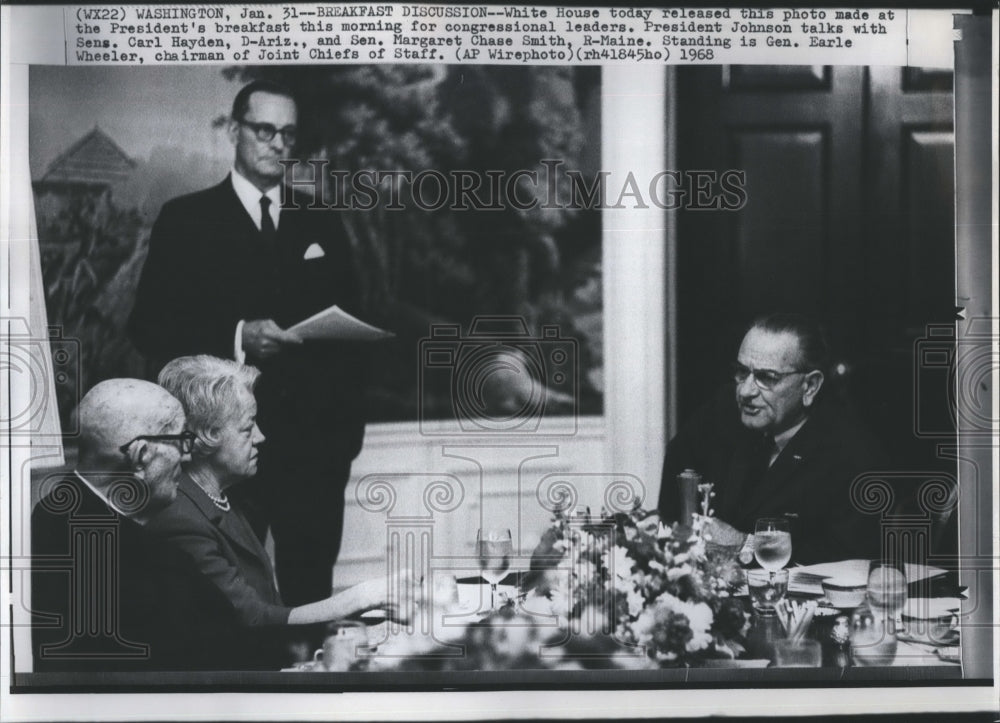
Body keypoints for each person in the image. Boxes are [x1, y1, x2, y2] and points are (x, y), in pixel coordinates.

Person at [128, 79, 367, 606]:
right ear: (235, 131)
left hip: (316, 454)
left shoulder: (321, 220)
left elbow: (357, 326)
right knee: (225, 604)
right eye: (265, 130)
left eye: (289, 133)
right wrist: (237, 336)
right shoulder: (186, 220)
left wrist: (343, 439)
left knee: (313, 601)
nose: (279, 144)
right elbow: (148, 328)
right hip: (222, 454)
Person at [146, 355, 411, 638]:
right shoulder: (179, 519)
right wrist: (360, 597)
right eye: (248, 428)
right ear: (208, 436)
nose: (261, 437)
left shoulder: (223, 497)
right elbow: (253, 619)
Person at [31, 379, 262, 671]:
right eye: (181, 442)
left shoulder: (49, 518)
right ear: (141, 456)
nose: (188, 455)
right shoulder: (142, 563)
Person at [657, 314, 886, 565]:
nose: (745, 391)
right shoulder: (723, 413)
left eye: (767, 378)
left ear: (809, 386)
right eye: (742, 372)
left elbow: (849, 562)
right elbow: (672, 502)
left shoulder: (852, 454)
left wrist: (746, 546)